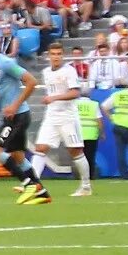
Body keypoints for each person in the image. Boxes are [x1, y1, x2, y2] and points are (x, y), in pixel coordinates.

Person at [0, 33, 43, 202]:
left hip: (18, 115)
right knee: (18, 157)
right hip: (14, 116)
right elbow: (0, 92)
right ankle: (41, 193)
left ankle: (28, 184)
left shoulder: (6, 63)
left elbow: (31, 81)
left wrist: (15, 105)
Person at [32, 42, 92, 201]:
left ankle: (86, 186)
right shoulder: (46, 72)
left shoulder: (69, 71)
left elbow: (75, 93)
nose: (56, 57)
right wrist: (52, 100)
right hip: (51, 116)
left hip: (68, 117)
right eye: (53, 54)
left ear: (62, 56)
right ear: (48, 56)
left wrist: (54, 98)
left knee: (75, 152)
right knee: (40, 148)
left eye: (59, 54)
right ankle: (32, 185)